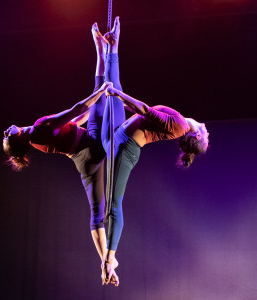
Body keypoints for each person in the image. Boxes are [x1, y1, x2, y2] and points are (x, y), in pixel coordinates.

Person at [3, 22, 120, 286]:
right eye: (7, 136)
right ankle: (103, 48)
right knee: (101, 90)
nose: (6, 130)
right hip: (90, 144)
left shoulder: (36, 141)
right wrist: (99, 96)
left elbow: (76, 119)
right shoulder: (39, 127)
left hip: (82, 160)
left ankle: (106, 261)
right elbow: (75, 109)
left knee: (96, 212)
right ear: (17, 137)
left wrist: (97, 99)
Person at [101, 16, 209, 284]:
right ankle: (110, 47)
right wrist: (119, 97)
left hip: (123, 149)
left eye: (206, 135)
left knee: (113, 205)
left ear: (196, 135)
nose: (207, 129)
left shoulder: (181, 125)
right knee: (108, 91)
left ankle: (110, 258)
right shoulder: (181, 123)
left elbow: (146, 110)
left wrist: (120, 98)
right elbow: (142, 112)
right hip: (117, 137)